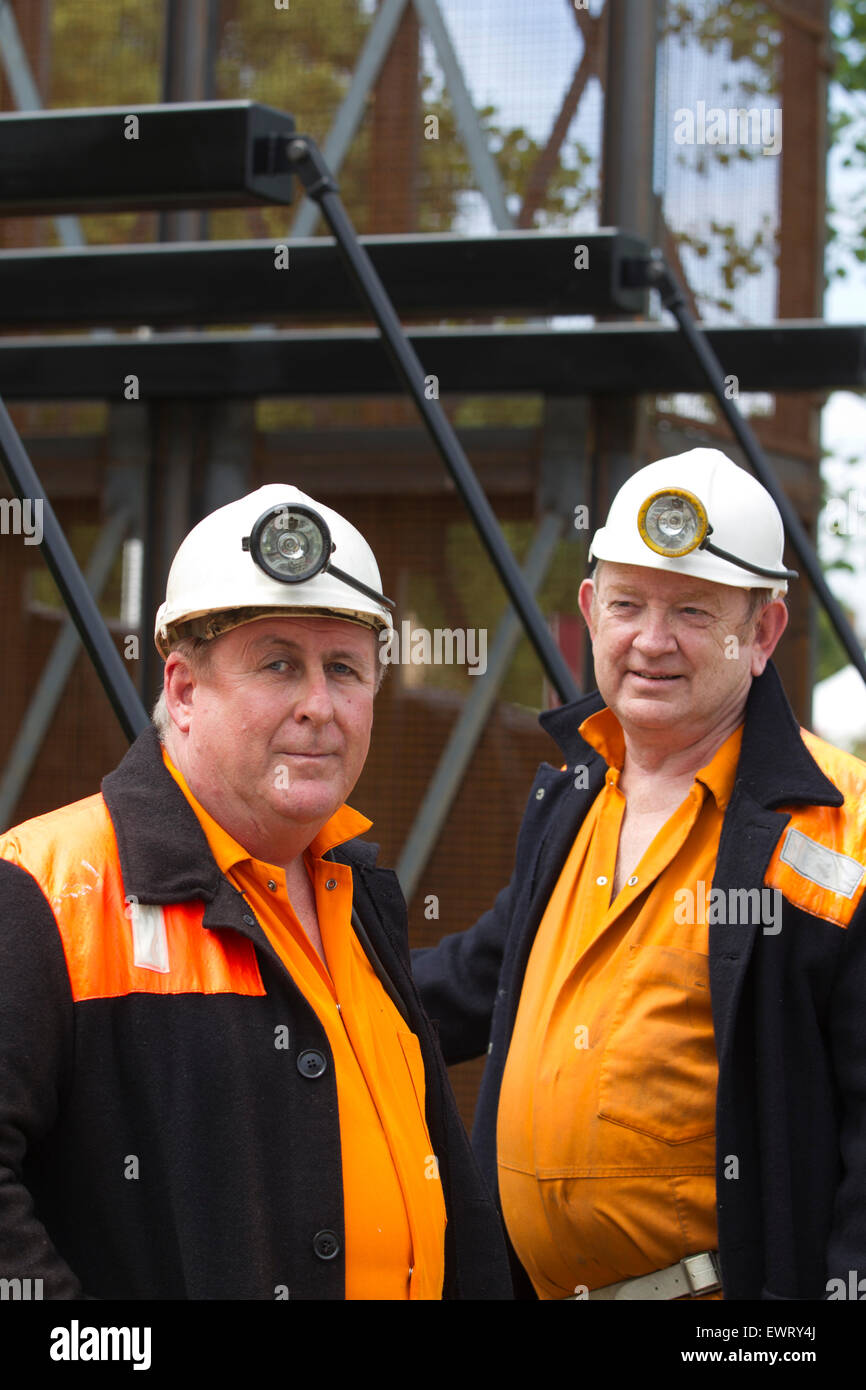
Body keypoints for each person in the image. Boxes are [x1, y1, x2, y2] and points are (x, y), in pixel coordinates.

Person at [0, 483, 511, 1301]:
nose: (319, 706)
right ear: (184, 689)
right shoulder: (45, 889)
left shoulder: (357, 891)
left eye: (345, 668)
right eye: (278, 663)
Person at [414, 448, 866, 1302]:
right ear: (591, 611)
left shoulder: (840, 834)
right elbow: (480, 977)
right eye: (628, 605)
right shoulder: (578, 795)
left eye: (693, 611)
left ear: (763, 632)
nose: (651, 642)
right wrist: (307, 1002)